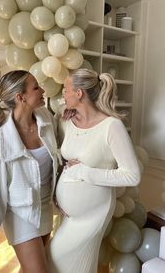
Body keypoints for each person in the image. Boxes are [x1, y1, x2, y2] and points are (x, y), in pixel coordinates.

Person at [46, 68, 141, 273]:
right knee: (62, 264)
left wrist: (84, 172)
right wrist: (56, 192)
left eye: (65, 89)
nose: (63, 93)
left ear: (79, 93)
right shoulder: (67, 122)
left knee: (57, 259)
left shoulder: (112, 126)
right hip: (70, 214)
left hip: (94, 214)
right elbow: (65, 160)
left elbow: (132, 175)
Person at [0, 70, 60, 273]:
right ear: (20, 97)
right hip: (20, 216)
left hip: (45, 210)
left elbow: (58, 154)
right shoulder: (1, 145)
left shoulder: (46, 120)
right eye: (36, 87)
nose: (43, 90)